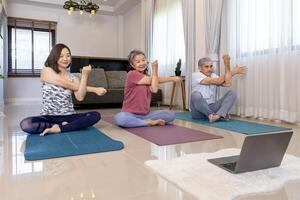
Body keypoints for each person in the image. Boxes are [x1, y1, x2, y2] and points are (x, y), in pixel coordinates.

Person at [20, 43, 107, 136]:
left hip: (69, 116)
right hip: (48, 116)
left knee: (95, 115)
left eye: (68, 55)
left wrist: (84, 75)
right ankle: (65, 126)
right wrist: (94, 89)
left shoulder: (74, 78)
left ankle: (60, 128)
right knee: (26, 124)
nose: (65, 59)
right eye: (61, 56)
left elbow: (80, 97)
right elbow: (66, 84)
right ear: (54, 57)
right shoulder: (47, 70)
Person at [114, 49, 182, 127]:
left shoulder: (149, 77)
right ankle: (147, 123)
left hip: (146, 114)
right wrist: (171, 78)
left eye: (143, 60)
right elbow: (153, 80)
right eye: (138, 62)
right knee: (121, 119)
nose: (142, 63)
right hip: (129, 114)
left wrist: (156, 72)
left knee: (171, 114)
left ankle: (140, 122)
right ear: (132, 65)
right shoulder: (132, 74)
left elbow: (155, 89)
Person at [190, 54, 247, 122]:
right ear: (200, 68)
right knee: (195, 94)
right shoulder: (195, 75)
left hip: (211, 107)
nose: (210, 69)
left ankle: (217, 116)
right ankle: (211, 114)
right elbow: (218, 81)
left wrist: (227, 64)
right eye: (206, 67)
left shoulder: (213, 75)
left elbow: (227, 83)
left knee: (232, 93)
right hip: (198, 111)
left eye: (211, 66)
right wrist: (233, 72)